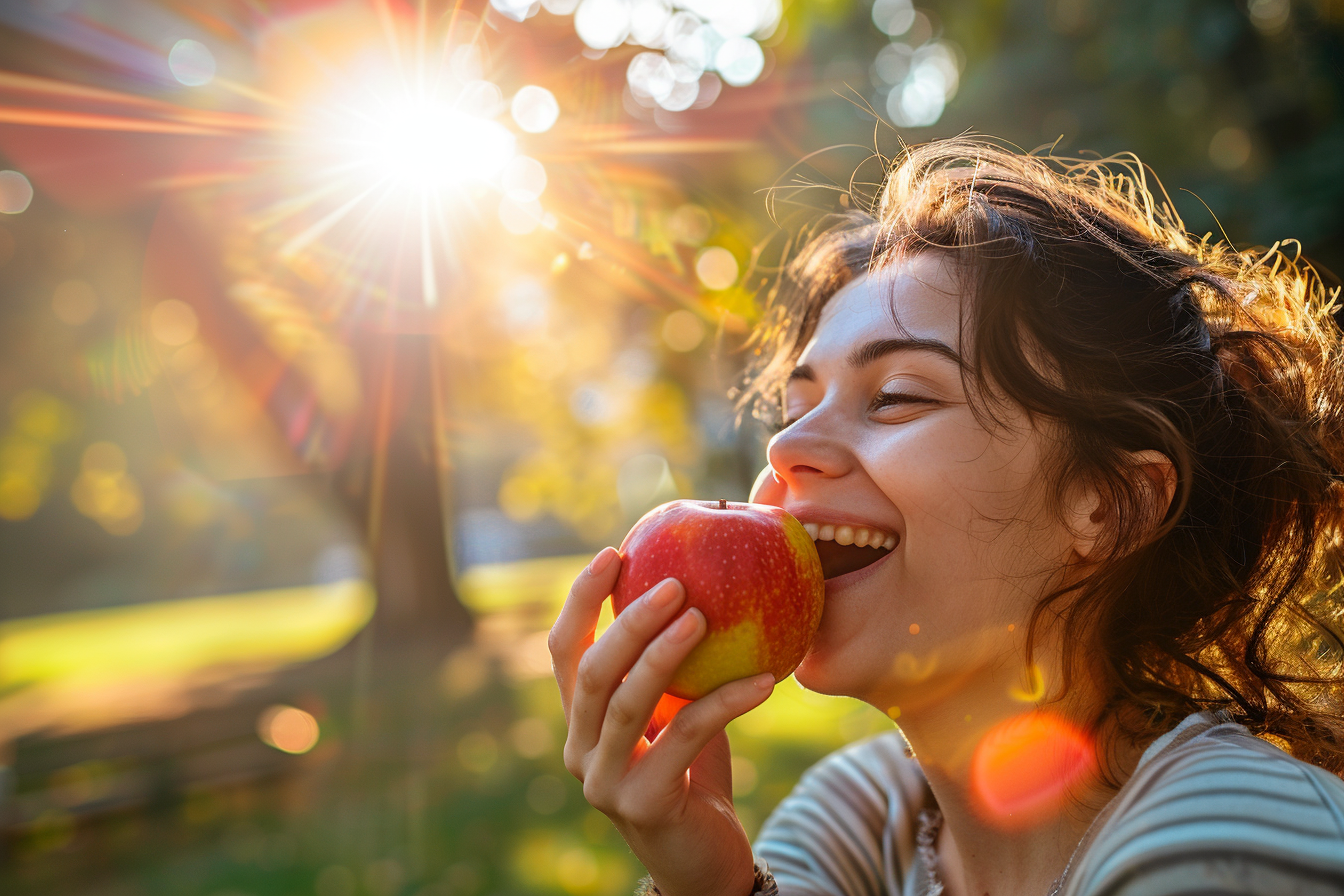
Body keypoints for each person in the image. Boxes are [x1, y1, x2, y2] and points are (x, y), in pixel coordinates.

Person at [547, 138, 1344, 896]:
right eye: (796, 407)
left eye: (895, 397)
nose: (788, 445)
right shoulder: (865, 811)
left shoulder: (1228, 847)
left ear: (1110, 506)